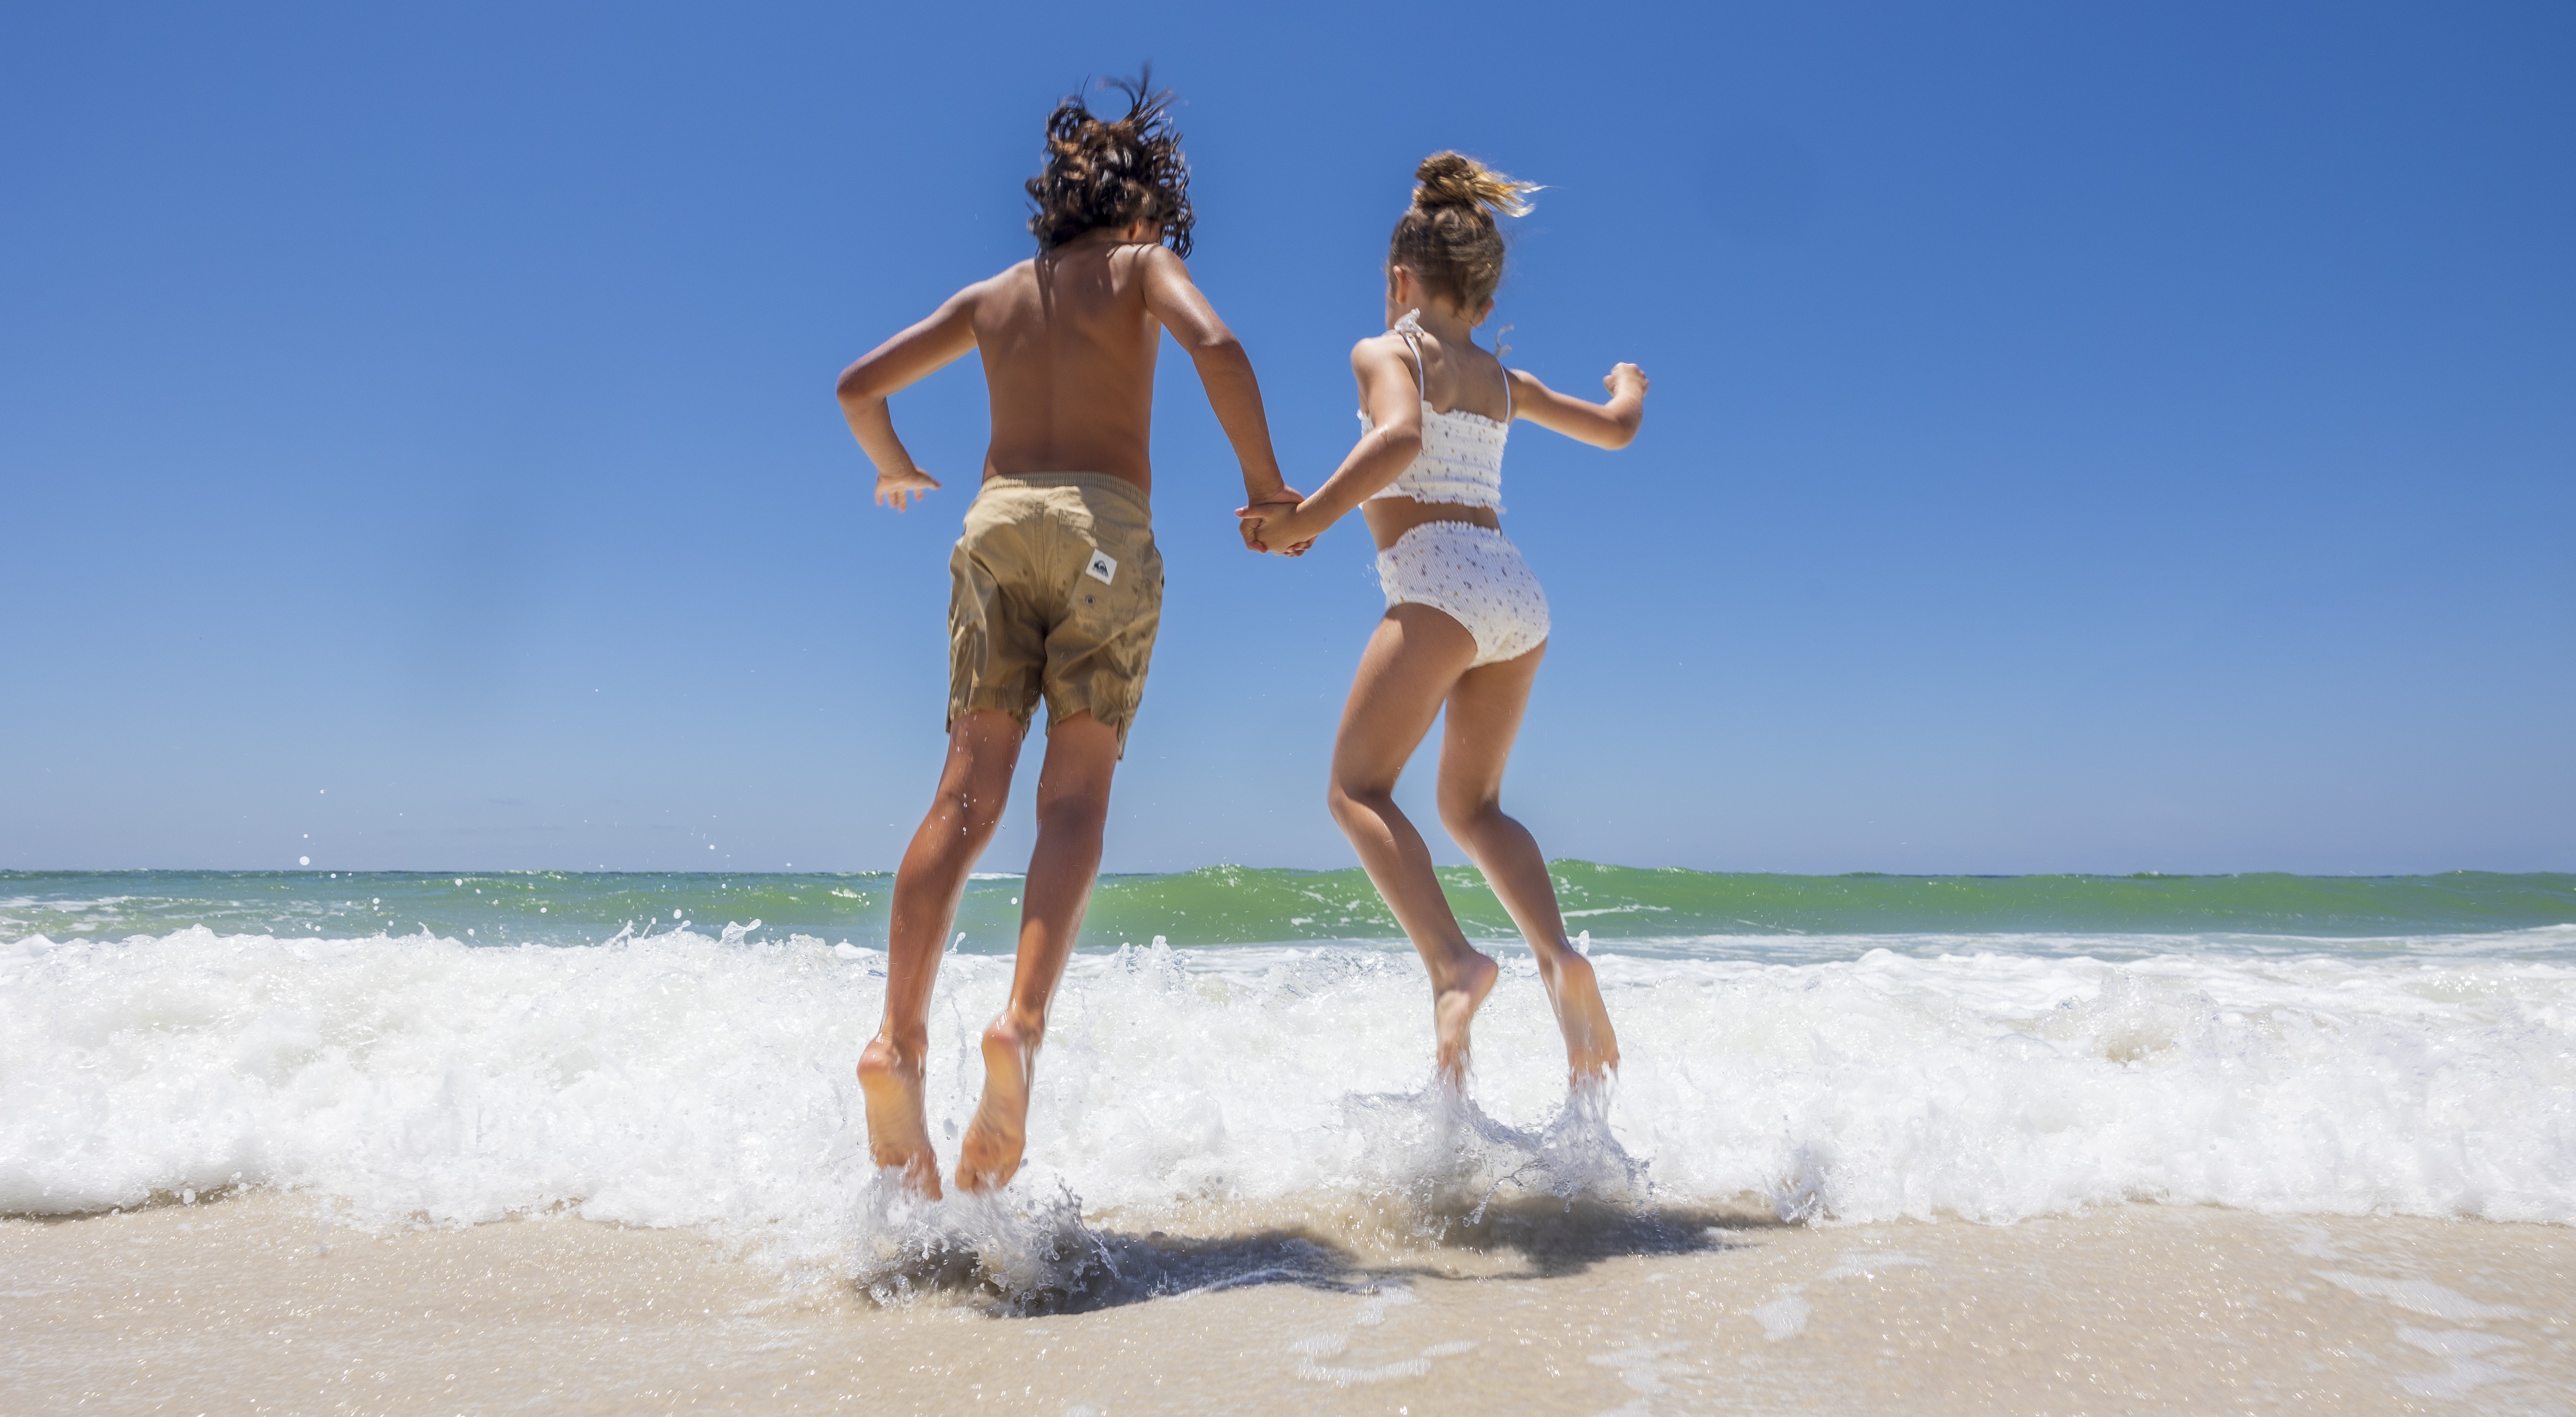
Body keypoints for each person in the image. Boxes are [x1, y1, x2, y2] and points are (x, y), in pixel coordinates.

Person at [836, 77, 1299, 1197]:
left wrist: (894, 466)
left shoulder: (996, 295)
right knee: (1074, 800)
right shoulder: (1141, 269)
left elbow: (859, 386)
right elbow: (1221, 348)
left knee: (964, 793)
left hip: (996, 528)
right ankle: (1021, 1029)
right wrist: (1266, 487)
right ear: (1143, 211)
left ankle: (898, 1039)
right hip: (1102, 530)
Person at [1238, 153, 1648, 1095]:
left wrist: (1304, 521)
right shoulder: (1506, 379)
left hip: (1439, 582)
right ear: (1487, 295)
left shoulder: (1389, 353)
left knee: (1355, 789)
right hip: (1517, 592)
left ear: (1400, 283)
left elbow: (1402, 439)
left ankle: (1454, 966)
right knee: (1474, 807)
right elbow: (1617, 429)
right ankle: (1556, 958)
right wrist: (1628, 383)